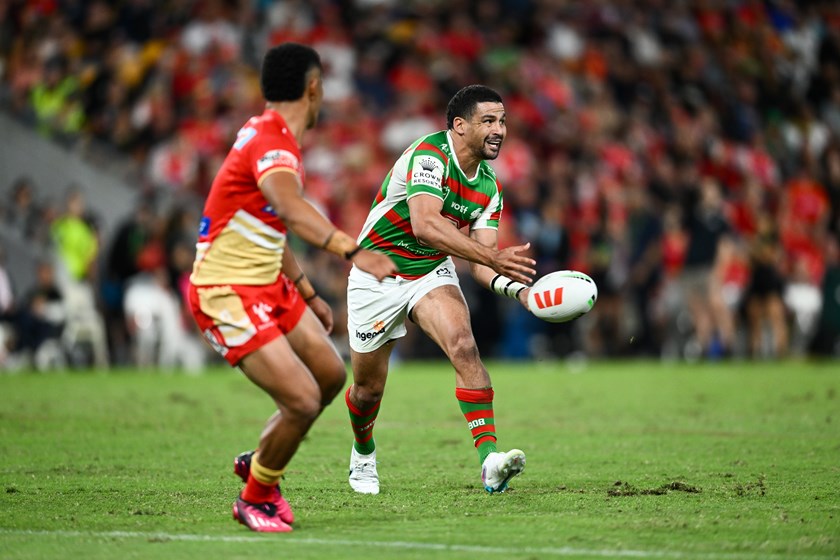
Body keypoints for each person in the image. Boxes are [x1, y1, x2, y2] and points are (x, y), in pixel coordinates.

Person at [187, 43, 396, 533]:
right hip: (226, 290)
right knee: (302, 400)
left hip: (268, 283)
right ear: (314, 87)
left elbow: (266, 220)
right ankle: (256, 495)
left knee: (329, 376)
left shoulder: (269, 135)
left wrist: (303, 287)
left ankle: (262, 456)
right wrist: (352, 249)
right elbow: (288, 205)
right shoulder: (273, 143)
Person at [343, 85, 536, 495]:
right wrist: (493, 258)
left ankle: (490, 463)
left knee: (464, 346)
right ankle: (363, 453)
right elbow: (425, 225)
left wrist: (520, 293)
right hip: (377, 274)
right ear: (459, 126)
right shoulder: (430, 155)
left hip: (429, 272)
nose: (499, 129)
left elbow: (484, 266)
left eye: (502, 121)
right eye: (488, 121)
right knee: (367, 388)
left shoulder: (490, 187)